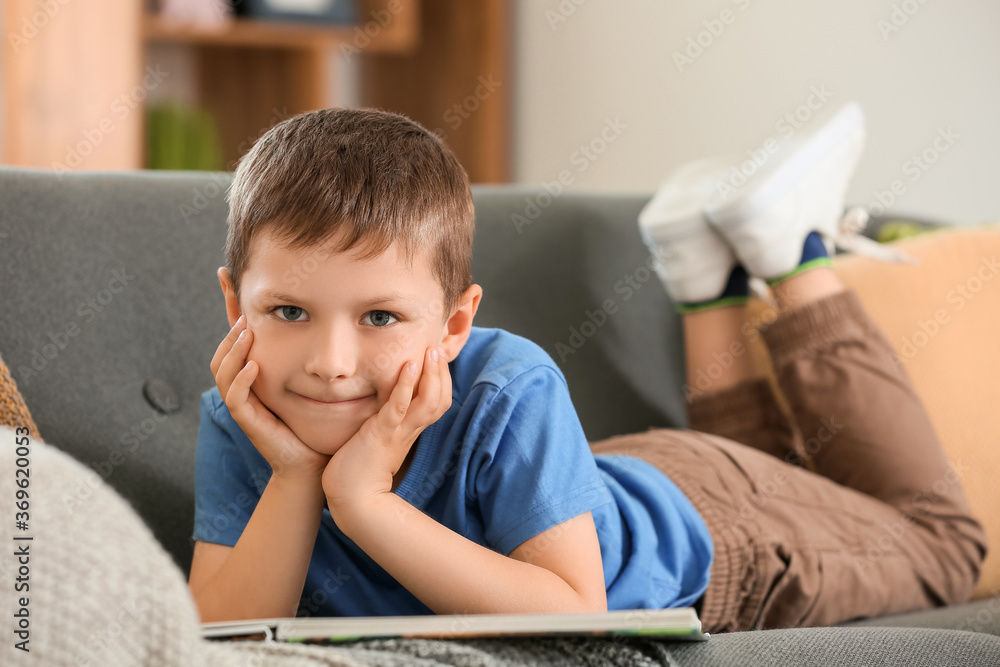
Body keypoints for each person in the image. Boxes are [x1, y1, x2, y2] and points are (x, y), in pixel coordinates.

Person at [188, 104, 987, 633]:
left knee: (947, 544)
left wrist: (360, 502)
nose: (330, 365)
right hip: (596, 490)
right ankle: (703, 275)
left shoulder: (511, 382)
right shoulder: (247, 413)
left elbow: (574, 612)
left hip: (720, 528)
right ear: (236, 306)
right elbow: (213, 633)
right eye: (289, 312)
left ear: (455, 322)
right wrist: (297, 476)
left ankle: (793, 254)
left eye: (381, 317)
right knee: (793, 467)